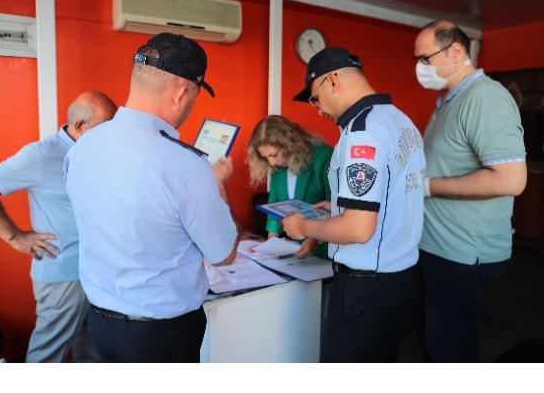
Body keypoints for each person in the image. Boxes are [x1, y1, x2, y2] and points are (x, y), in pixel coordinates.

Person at [63, 33, 239, 363]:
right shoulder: (186, 166)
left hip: (99, 323)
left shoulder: (83, 145)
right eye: (194, 97)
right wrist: (218, 185)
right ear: (182, 94)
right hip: (160, 335)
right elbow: (224, 253)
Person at [282, 47, 425, 362]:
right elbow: (391, 196)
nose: (318, 109)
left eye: (315, 98)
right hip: (403, 277)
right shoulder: (401, 121)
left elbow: (358, 229)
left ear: (332, 81)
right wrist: (336, 207)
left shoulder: (362, 132)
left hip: (367, 287)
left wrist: (303, 226)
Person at [0, 91, 118, 363]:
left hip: (99, 271)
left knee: (93, 350)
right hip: (64, 275)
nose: (112, 132)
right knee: (47, 355)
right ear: (80, 125)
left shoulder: (98, 152)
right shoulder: (41, 155)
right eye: (106, 124)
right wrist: (15, 237)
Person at [413, 20, 527, 362]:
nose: (420, 67)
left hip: (460, 254)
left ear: (456, 51)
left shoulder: (485, 97)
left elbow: (511, 180)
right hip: (438, 248)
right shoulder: (448, 101)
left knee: (451, 352)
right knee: (433, 342)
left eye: (425, 58)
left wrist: (428, 187)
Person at [247, 115, 332, 259]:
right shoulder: (278, 166)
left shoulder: (325, 158)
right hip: (296, 251)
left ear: (289, 144)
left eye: (274, 155)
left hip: (327, 249)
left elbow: (338, 209)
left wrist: (314, 239)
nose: (271, 162)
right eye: (266, 157)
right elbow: (274, 207)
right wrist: (270, 246)